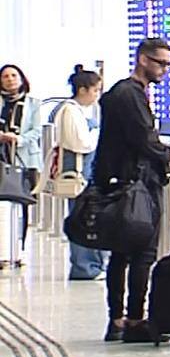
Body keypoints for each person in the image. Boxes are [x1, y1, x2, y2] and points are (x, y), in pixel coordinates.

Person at [95, 39, 170, 341]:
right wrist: (169, 155)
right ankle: (132, 321)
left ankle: (118, 319)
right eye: (161, 63)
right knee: (142, 252)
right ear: (143, 59)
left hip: (121, 183)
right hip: (136, 186)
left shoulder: (122, 93)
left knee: (120, 253)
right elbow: (144, 139)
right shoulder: (129, 94)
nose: (165, 70)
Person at [54, 66, 107, 280]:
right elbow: (81, 143)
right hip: (79, 172)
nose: (97, 95)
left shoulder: (78, 111)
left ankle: (92, 265)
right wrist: (97, 133)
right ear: (83, 90)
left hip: (86, 171)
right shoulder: (70, 110)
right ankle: (85, 267)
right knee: (82, 217)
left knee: (88, 216)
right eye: (95, 90)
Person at [1, 64, 41, 269]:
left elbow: (37, 131)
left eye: (13, 75)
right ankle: (3, 252)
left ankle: (20, 250)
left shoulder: (33, 103)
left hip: (25, 160)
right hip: (2, 159)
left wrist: (18, 138)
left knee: (22, 203)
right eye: (5, 76)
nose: (10, 79)